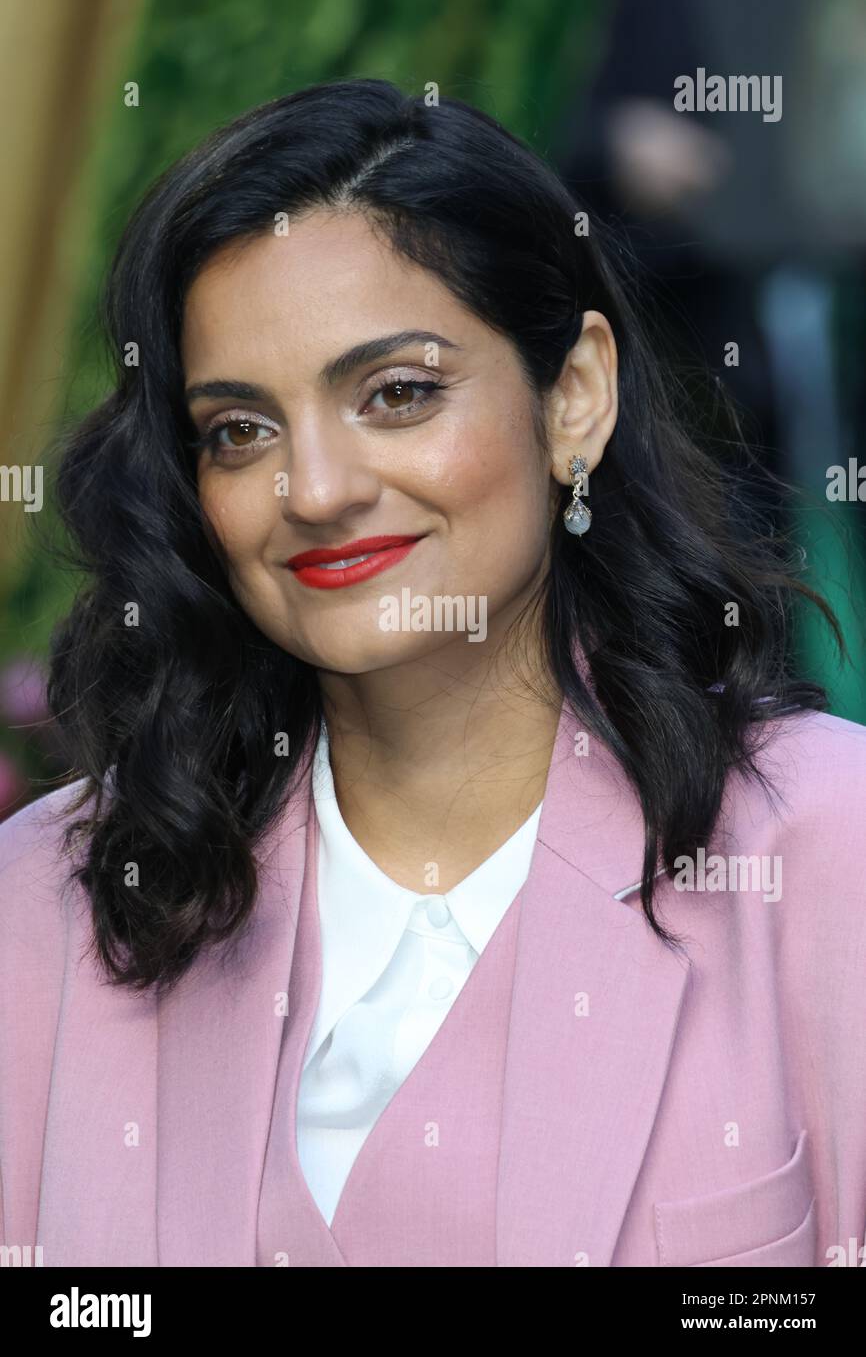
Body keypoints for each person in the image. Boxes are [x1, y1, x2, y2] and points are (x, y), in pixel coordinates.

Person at [1, 78, 864, 1269]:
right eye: (239, 429)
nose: (315, 488)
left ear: (574, 397)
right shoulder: (47, 899)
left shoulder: (827, 847)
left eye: (396, 394)